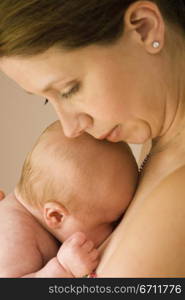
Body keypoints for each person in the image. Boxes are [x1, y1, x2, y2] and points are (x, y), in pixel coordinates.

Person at [0, 0, 185, 277]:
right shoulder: (155, 144)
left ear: (144, 28)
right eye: (46, 100)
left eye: (69, 89)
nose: (70, 128)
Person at [0, 121, 138, 277]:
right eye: (110, 222)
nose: (116, 228)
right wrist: (62, 269)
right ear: (56, 215)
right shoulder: (13, 234)